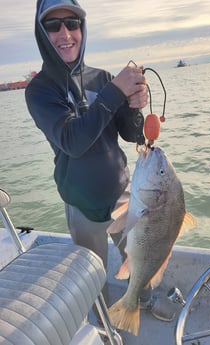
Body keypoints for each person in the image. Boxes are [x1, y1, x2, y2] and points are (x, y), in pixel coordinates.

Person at [26, 0, 175, 324]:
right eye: (53, 26)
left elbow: (130, 134)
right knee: (92, 273)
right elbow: (72, 141)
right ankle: (106, 324)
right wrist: (114, 93)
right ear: (41, 32)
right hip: (80, 202)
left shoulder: (102, 78)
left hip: (124, 194)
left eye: (72, 23)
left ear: (83, 28)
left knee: (139, 255)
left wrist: (135, 105)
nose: (65, 33)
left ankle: (142, 300)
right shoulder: (39, 90)